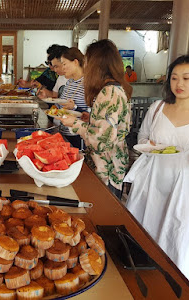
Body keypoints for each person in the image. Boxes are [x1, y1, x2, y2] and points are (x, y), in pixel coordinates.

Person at [124, 55, 189, 281]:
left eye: (186, 78)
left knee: (178, 234)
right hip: (151, 180)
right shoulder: (157, 108)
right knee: (142, 231)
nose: (179, 84)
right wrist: (149, 145)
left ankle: (171, 285)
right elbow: (142, 138)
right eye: (174, 78)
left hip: (184, 185)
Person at [58, 39, 132, 198]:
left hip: (106, 169)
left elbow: (102, 140)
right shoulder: (114, 88)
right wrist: (90, 119)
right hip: (111, 165)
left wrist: (75, 123)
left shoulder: (108, 93)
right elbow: (109, 126)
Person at [50, 47, 88, 149]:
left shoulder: (88, 84)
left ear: (75, 62)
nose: (62, 68)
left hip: (78, 136)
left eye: (64, 64)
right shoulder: (69, 83)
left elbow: (93, 114)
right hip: (64, 132)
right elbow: (60, 106)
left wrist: (75, 107)